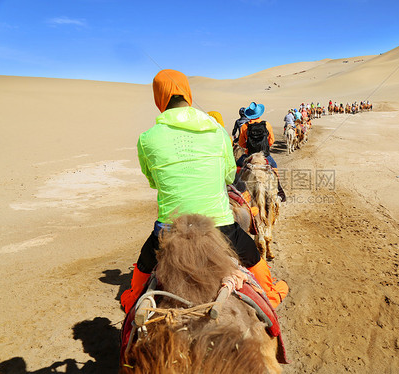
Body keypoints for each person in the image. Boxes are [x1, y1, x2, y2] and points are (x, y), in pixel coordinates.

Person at [120, 70, 288, 312]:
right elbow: (230, 176)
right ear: (188, 93)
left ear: (158, 97)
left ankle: (132, 300)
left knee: (144, 264)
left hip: (170, 228)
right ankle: (270, 296)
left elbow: (154, 182)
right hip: (219, 226)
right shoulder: (217, 131)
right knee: (252, 255)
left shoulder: (147, 138)